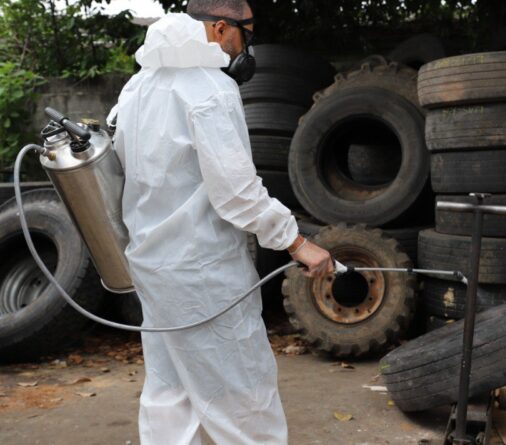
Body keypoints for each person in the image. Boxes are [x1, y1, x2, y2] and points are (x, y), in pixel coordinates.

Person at [110, 1, 333, 443]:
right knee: (245, 399)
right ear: (219, 28)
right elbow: (236, 192)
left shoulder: (136, 87)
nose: (245, 49)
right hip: (204, 273)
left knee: (169, 396)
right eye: (245, 35)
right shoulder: (211, 88)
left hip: (153, 267)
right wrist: (296, 242)